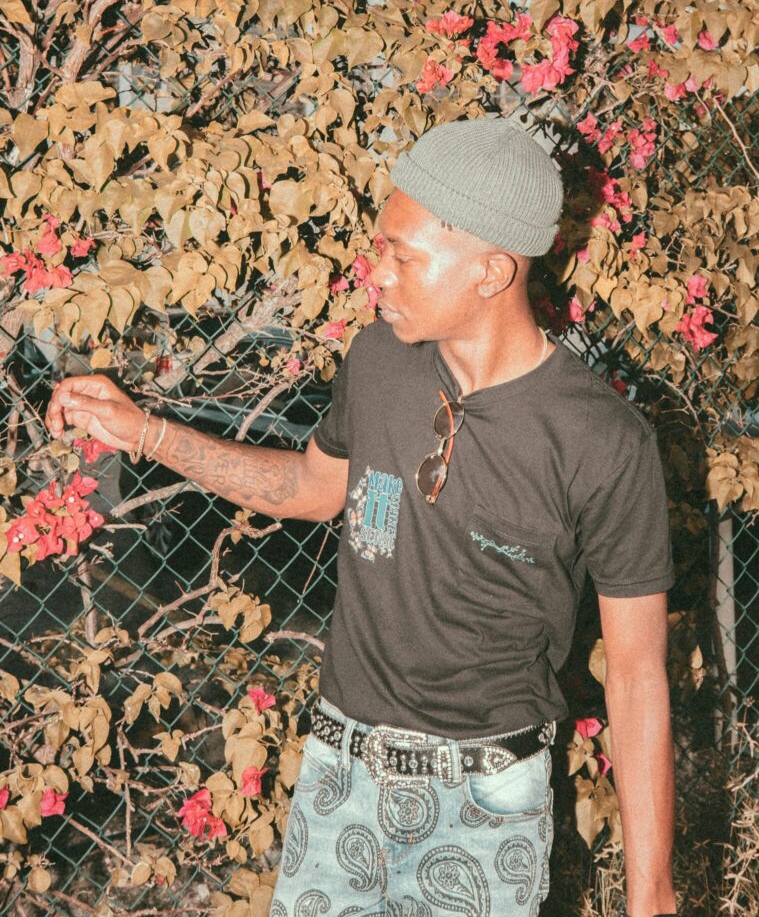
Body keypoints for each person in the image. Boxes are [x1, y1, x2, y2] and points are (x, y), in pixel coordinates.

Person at [47, 116, 678, 917]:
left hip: (485, 803)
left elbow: (633, 673)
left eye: (401, 256)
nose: (374, 274)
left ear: (490, 271)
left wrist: (649, 896)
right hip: (340, 774)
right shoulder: (378, 361)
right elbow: (313, 487)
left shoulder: (600, 440)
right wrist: (144, 432)